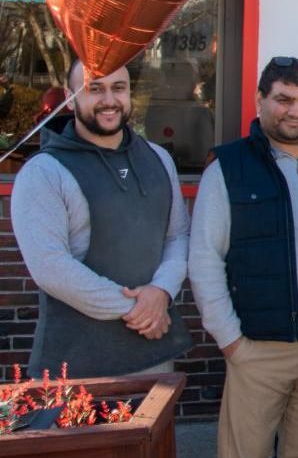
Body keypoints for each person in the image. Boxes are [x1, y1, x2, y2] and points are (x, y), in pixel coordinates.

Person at [189, 56, 298, 458]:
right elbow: (204, 260)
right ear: (258, 99)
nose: (295, 111)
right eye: (283, 99)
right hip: (259, 348)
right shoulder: (229, 167)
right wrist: (232, 343)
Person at [12, 61, 192, 378]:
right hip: (76, 366)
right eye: (94, 89)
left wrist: (161, 292)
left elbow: (177, 236)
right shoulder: (44, 171)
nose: (109, 100)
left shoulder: (159, 159)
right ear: (70, 98)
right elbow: (50, 267)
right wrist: (141, 309)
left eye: (118, 88)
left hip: (154, 355)